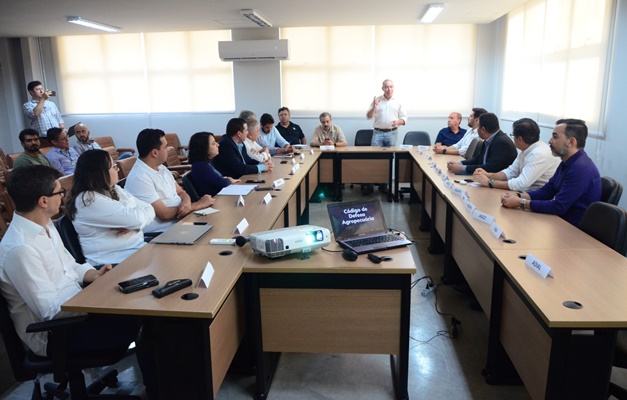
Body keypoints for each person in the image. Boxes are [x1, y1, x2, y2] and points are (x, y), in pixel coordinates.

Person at [0, 165, 146, 376]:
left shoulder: (46, 225)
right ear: (43, 201)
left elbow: (69, 266)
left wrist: (94, 276)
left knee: (143, 312)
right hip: (55, 335)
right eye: (59, 192)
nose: (63, 196)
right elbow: (50, 311)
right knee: (144, 323)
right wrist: (99, 299)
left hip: (78, 312)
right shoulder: (20, 249)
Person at [501, 119, 601, 226]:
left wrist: (521, 203)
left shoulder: (580, 169)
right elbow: (547, 191)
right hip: (558, 221)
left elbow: (558, 206)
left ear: (571, 142)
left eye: (555, 136)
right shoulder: (566, 162)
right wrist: (518, 196)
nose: (550, 141)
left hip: (571, 229)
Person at [66, 150, 155, 266]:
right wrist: (133, 222)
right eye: (113, 167)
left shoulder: (114, 189)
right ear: (100, 172)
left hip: (137, 252)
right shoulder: (88, 200)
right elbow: (137, 219)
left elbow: (149, 208)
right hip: (113, 264)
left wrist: (133, 223)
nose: (117, 169)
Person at [125, 128, 214, 233]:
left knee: (216, 225)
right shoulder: (139, 178)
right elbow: (164, 214)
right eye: (165, 147)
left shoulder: (161, 167)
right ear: (154, 153)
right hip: (162, 232)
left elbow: (181, 192)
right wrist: (197, 205)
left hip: (182, 221)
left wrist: (186, 202)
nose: (168, 149)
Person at [473, 118, 560, 191]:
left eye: (513, 135)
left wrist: (490, 182)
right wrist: (488, 175)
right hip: (525, 193)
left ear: (520, 139)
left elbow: (521, 184)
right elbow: (510, 172)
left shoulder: (539, 154)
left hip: (536, 197)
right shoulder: (526, 150)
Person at [446, 113, 517, 175]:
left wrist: (463, 168)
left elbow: (491, 167)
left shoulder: (502, 143)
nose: (477, 130)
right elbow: (478, 159)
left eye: (478, 127)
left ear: (483, 129)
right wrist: (460, 164)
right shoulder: (490, 138)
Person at [189, 131, 241, 196]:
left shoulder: (207, 162)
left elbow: (217, 179)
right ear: (204, 148)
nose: (218, 144)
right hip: (214, 199)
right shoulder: (200, 166)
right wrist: (229, 180)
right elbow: (222, 183)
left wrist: (226, 179)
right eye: (213, 144)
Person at [366, 79, 407, 147]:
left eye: (391, 87)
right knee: (375, 155)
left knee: (390, 155)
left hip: (392, 133)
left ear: (393, 88)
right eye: (386, 87)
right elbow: (368, 116)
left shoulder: (398, 101)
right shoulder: (377, 100)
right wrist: (374, 107)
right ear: (382, 88)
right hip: (377, 133)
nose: (389, 89)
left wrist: (398, 122)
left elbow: (404, 118)